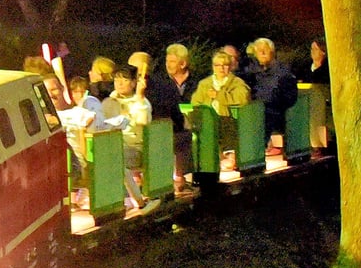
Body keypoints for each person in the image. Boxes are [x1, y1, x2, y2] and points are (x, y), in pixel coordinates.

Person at [101, 64, 160, 215]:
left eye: (125, 79)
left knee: (118, 160)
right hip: (112, 145)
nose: (119, 83)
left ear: (134, 83)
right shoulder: (109, 102)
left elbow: (143, 120)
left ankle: (136, 201)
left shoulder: (142, 102)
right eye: (116, 79)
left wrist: (139, 97)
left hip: (135, 147)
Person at [192, 51, 251, 171]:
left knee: (226, 125)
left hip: (229, 120)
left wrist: (220, 95)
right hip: (207, 121)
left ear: (230, 67)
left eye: (225, 65)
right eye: (217, 65)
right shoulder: (204, 84)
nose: (221, 68)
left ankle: (229, 156)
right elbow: (195, 103)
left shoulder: (237, 82)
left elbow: (243, 98)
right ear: (213, 67)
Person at [242, 38, 297, 156]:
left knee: (265, 114)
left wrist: (274, 101)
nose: (261, 53)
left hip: (276, 110)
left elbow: (290, 97)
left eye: (264, 50)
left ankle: (256, 152)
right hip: (254, 109)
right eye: (258, 51)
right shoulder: (250, 72)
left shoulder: (283, 72)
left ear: (272, 52)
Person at [163, 43, 200, 184]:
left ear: (183, 63)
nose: (168, 65)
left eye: (172, 61)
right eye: (167, 61)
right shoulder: (162, 84)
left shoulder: (198, 82)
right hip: (172, 127)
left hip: (194, 124)